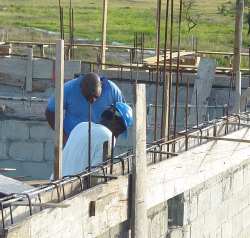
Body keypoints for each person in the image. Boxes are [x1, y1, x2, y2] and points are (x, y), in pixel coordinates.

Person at [56, 102, 133, 178]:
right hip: (73, 188)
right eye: (121, 131)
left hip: (55, 183)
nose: (118, 135)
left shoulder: (81, 126)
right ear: (119, 127)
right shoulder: (108, 137)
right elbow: (97, 175)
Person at [45, 72, 124, 144]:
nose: (92, 101)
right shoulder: (68, 89)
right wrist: (63, 137)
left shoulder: (112, 90)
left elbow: (123, 115)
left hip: (100, 143)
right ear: (80, 88)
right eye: (88, 97)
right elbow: (50, 112)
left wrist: (112, 138)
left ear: (101, 85)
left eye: (95, 97)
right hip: (73, 142)